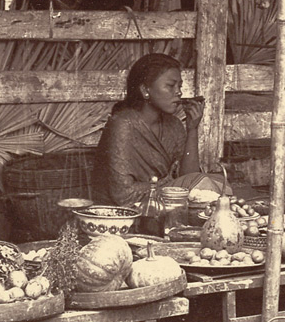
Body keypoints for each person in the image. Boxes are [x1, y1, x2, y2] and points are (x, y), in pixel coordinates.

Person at [92, 54, 227, 210]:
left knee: (219, 184)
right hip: (121, 213)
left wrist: (192, 129)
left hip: (164, 205)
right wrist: (171, 184)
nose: (178, 92)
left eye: (180, 86)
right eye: (170, 86)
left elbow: (190, 178)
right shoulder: (122, 125)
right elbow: (123, 194)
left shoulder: (174, 125)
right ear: (145, 90)